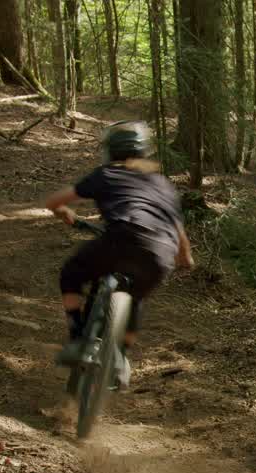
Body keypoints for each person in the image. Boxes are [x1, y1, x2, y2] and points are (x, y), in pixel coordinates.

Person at [44, 121, 193, 388]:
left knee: (71, 273)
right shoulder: (162, 184)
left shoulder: (107, 173)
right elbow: (178, 228)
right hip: (160, 252)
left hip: (121, 237)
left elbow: (55, 201)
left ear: (110, 151)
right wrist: (185, 257)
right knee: (136, 297)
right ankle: (121, 358)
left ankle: (79, 339)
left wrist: (65, 213)